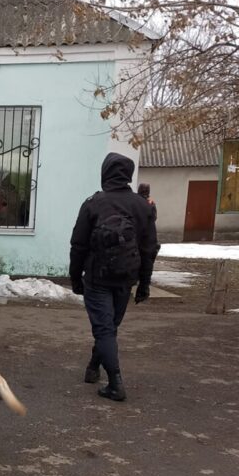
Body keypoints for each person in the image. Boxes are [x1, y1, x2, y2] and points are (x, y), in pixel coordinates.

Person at [69, 152, 159, 402]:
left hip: (97, 279)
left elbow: (78, 245)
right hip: (126, 278)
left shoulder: (93, 203)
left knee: (104, 329)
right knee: (108, 328)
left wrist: (75, 278)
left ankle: (115, 383)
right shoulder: (142, 206)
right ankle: (92, 367)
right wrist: (144, 284)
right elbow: (149, 248)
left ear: (105, 172)